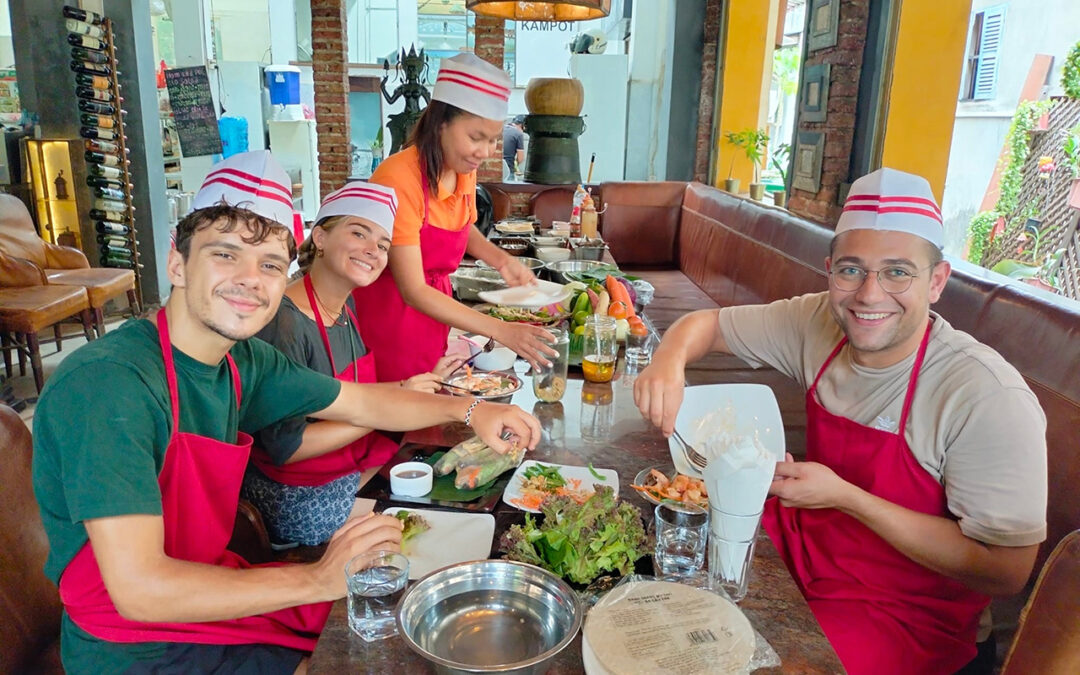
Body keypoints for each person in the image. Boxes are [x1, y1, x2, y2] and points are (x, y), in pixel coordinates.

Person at [31, 150, 540, 674]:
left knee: (405, 627)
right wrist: (320, 577)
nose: (252, 279)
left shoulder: (242, 360)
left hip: (216, 592)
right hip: (133, 646)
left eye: (270, 264)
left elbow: (365, 400)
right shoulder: (108, 385)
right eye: (226, 254)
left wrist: (472, 407)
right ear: (177, 262)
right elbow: (141, 591)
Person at [633, 168, 1047, 674]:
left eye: (898, 272)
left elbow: (1007, 571)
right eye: (851, 270)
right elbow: (707, 325)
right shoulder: (818, 321)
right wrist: (667, 363)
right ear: (830, 270)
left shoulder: (985, 395)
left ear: (937, 281)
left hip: (903, 615)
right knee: (648, 583)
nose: (869, 295)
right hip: (797, 547)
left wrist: (847, 497)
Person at [242, 182, 464, 547]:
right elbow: (288, 447)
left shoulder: (344, 307)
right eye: (358, 232)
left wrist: (411, 386)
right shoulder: (284, 324)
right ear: (321, 237)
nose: (372, 251)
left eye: (383, 244)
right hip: (295, 496)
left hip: (345, 463)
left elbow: (352, 394)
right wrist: (389, 408)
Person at [353, 52, 557, 385]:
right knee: (400, 409)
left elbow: (462, 227)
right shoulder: (398, 178)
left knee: (432, 401)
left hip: (434, 316)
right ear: (440, 123)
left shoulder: (462, 168)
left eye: (493, 140)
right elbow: (414, 290)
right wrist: (501, 330)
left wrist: (502, 261)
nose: (485, 151)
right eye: (476, 137)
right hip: (391, 320)